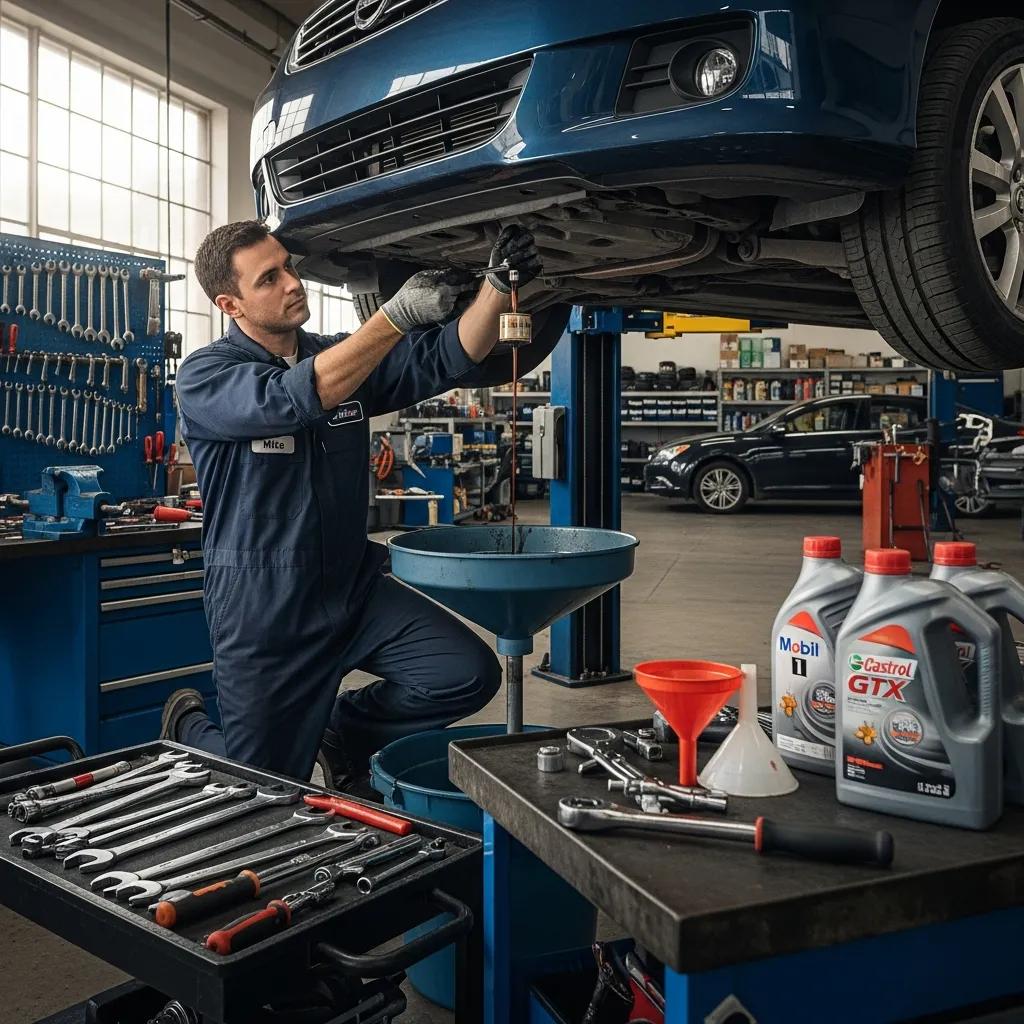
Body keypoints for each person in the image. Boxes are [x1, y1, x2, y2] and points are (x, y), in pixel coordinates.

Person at [159, 219, 554, 786]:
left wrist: (495, 285)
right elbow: (297, 396)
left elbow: (443, 356)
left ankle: (343, 734)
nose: (293, 282)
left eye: (288, 266)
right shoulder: (205, 376)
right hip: (266, 607)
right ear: (231, 305)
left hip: (353, 589)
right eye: (269, 279)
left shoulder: (342, 356)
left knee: (463, 675)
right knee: (261, 787)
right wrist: (392, 317)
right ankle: (189, 727)